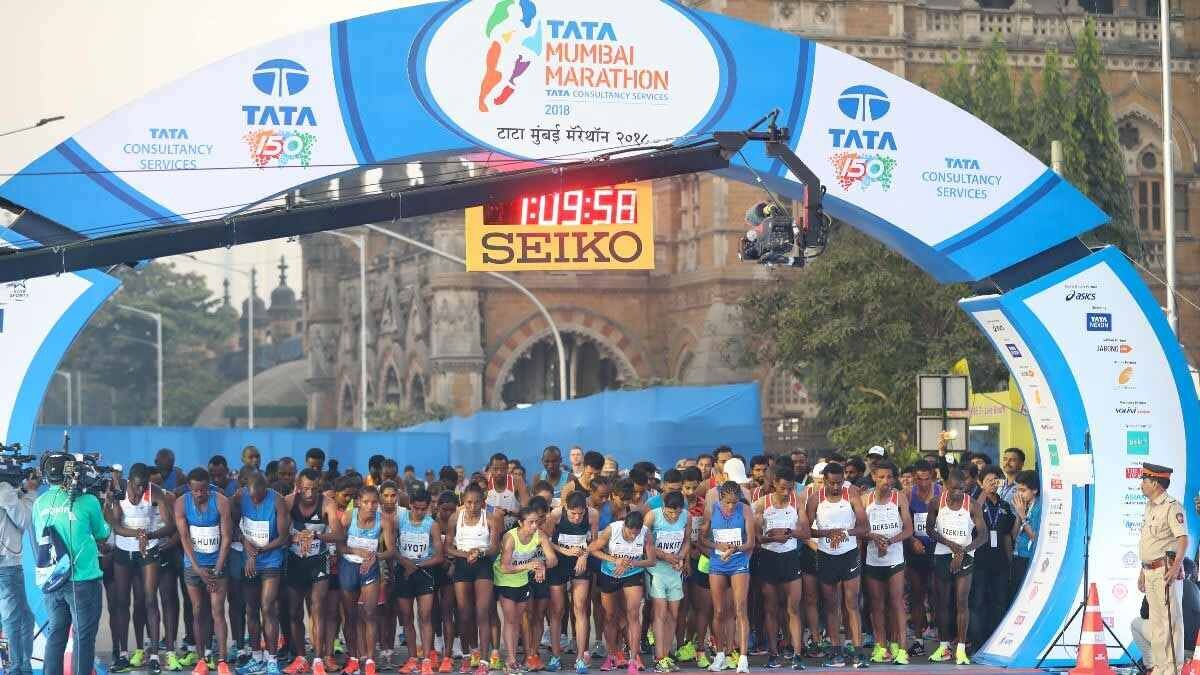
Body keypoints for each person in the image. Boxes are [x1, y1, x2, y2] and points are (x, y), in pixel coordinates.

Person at [35, 454, 113, 675]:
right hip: (82, 580)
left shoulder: (39, 503)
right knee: (83, 637)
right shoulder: (88, 501)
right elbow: (102, 533)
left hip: (53, 580)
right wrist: (106, 506)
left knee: (56, 634)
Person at [105, 463, 176, 674]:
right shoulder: (119, 489)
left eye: (144, 485)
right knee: (122, 602)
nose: (140, 490)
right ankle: (123, 654)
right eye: (137, 485)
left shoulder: (154, 491)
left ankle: (154, 655)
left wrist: (149, 536)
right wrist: (139, 534)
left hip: (148, 551)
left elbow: (170, 526)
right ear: (129, 480)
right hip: (123, 551)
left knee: (150, 600)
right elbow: (115, 526)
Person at [805, 462, 868, 668]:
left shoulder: (851, 496)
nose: (835, 487)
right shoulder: (815, 499)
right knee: (831, 605)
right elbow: (806, 530)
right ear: (824, 481)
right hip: (826, 556)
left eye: (839, 482)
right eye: (831, 483)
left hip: (849, 555)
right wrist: (827, 533)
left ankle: (858, 651)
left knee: (852, 603)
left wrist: (844, 533)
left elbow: (864, 527)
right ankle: (835, 651)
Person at [175, 468, 235, 675]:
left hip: (217, 564)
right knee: (198, 610)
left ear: (209, 486)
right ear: (189, 488)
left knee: (217, 611)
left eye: (203, 490)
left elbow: (226, 538)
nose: (199, 494)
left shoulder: (221, 502)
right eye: (195, 490)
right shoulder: (181, 503)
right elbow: (184, 538)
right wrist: (197, 568)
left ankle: (222, 661)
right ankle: (201, 660)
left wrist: (217, 569)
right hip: (193, 565)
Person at [283, 469, 341, 675]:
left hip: (318, 560)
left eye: (314, 489)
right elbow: (279, 534)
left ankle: (317, 658)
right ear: (298, 487)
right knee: (294, 612)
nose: (309, 493)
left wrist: (315, 535)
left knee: (318, 608)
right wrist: (295, 537)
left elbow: (338, 535)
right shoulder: (288, 502)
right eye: (305, 489)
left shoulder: (327, 503)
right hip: (295, 561)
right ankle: (301, 657)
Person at [927, 469, 987, 666]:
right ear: (946, 486)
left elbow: (983, 536)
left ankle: (961, 649)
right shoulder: (936, 503)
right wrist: (951, 545)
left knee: (962, 602)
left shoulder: (973, 505)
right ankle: (944, 646)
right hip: (943, 554)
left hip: (966, 555)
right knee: (942, 602)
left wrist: (962, 551)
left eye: (962, 489)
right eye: (954, 489)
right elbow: (929, 529)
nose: (958, 493)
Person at [232, 472, 290, 675]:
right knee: (251, 609)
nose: (254, 500)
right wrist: (244, 541)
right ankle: (257, 657)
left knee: (268, 607)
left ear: (266, 489)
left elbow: (283, 537)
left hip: (271, 558)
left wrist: (257, 552)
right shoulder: (240, 496)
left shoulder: (277, 501)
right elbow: (232, 525)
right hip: (249, 560)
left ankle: (272, 660)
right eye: (252, 497)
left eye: (259, 497)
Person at [339, 485, 396, 675]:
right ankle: (354, 659)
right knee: (350, 616)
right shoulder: (348, 517)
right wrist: (355, 550)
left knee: (370, 614)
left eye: (374, 502)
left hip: (370, 569)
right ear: (358, 503)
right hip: (349, 567)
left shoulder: (384, 521)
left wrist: (375, 556)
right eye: (366, 502)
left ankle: (370, 660)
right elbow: (339, 545)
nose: (370, 506)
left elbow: (391, 551)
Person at [1138, 463, 1188, 675]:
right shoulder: (1149, 506)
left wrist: (1176, 567)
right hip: (1150, 571)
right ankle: (1160, 667)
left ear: (1156, 483)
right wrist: (1142, 571)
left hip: (1165, 571)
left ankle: (1173, 669)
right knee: (1157, 623)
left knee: (1170, 621)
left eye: (1144, 480)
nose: (1141, 484)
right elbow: (1149, 543)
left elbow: (1183, 539)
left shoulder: (1172, 506)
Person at [753, 465, 805, 670]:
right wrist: (773, 536)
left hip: (790, 558)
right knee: (771, 609)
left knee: (793, 608)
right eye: (783, 488)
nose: (786, 492)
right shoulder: (761, 504)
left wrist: (789, 532)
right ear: (774, 484)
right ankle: (773, 654)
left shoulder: (797, 502)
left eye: (790, 488)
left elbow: (806, 532)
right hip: (768, 558)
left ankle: (797, 654)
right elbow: (756, 538)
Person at [495, 506, 557, 675]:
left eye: (537, 522)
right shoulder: (510, 538)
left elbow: (553, 559)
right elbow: (505, 567)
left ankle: (515, 659)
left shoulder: (539, 535)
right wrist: (529, 565)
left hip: (522, 580)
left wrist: (542, 564)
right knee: (510, 620)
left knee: (517, 620)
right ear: (521, 523)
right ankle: (511, 660)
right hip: (506, 579)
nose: (535, 525)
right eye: (531, 522)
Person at [446, 483, 501, 675]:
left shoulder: (491, 519)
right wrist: (466, 554)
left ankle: (484, 660)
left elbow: (495, 547)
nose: (472, 506)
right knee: (464, 613)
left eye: (477, 502)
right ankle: (471, 653)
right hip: (463, 565)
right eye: (469, 502)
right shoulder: (455, 518)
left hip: (483, 565)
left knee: (482, 612)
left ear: (483, 502)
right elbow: (447, 547)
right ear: (463, 501)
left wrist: (480, 552)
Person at [860, 460, 911, 666]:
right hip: (873, 558)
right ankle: (881, 646)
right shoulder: (865, 499)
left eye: (890, 477)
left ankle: (901, 648)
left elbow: (908, 530)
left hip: (895, 557)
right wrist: (874, 538)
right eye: (881, 477)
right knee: (877, 604)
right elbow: (859, 529)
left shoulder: (899, 498)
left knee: (897, 602)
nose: (886, 481)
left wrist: (888, 541)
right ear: (873, 477)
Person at [591, 509, 652, 674]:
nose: (633, 537)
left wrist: (632, 563)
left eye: (636, 534)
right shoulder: (613, 529)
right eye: (630, 533)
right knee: (609, 616)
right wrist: (615, 560)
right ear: (624, 526)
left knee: (633, 615)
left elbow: (651, 560)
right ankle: (611, 655)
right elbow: (593, 549)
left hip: (633, 574)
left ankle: (634, 657)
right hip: (609, 573)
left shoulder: (646, 533)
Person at [394, 487, 446, 675]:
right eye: (416, 508)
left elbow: (439, 556)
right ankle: (412, 659)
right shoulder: (400, 520)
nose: (420, 512)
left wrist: (417, 565)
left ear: (429, 507)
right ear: (410, 505)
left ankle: (426, 660)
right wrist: (404, 562)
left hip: (424, 571)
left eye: (424, 509)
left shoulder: (432, 525)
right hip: (404, 571)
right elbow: (391, 547)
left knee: (425, 616)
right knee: (407, 617)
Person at [705, 480, 755, 673]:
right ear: (720, 498)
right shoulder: (712, 510)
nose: (731, 506)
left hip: (738, 562)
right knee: (718, 611)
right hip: (718, 563)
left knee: (740, 609)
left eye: (735, 502)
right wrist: (717, 546)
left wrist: (735, 548)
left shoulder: (745, 510)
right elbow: (702, 538)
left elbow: (751, 542)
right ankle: (719, 655)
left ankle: (742, 658)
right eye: (727, 502)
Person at [547, 490, 597, 674]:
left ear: (586, 509)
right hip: (559, 564)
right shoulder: (556, 514)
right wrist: (564, 551)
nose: (577, 518)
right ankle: (555, 656)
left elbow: (594, 542)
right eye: (573, 514)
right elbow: (545, 540)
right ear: (565, 508)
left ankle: (580, 657)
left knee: (580, 608)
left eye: (580, 514)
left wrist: (584, 555)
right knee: (557, 610)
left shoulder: (593, 514)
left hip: (580, 563)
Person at [970, 465, 1017, 647]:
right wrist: (983, 493)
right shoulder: (974, 503)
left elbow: (1007, 534)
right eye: (989, 480)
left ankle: (996, 642)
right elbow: (971, 520)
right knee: (978, 601)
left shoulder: (1004, 505)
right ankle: (978, 643)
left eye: (996, 480)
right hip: (979, 560)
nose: (993, 484)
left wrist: (1009, 561)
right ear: (980, 482)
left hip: (999, 561)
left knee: (999, 602)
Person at [645, 491, 689, 673]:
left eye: (677, 513)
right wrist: (664, 555)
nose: (674, 516)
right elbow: (644, 542)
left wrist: (680, 557)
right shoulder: (652, 516)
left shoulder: (686, 516)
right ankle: (659, 658)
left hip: (674, 571)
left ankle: (666, 654)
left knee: (673, 614)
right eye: (670, 513)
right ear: (663, 507)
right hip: (656, 570)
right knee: (660, 613)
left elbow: (686, 542)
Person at [0, 471, 38, 675]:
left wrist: (22, 490)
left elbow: (11, 503)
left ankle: (23, 666)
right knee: (12, 619)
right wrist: (30, 493)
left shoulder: (6, 491)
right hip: (7, 566)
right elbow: (24, 520)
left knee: (25, 617)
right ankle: (15, 668)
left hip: (9, 565)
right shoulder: (4, 490)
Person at [903, 459, 940, 656]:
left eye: (927, 479)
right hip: (915, 550)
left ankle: (942, 639)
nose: (923, 483)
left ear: (933, 476)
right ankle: (918, 640)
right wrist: (911, 540)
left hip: (938, 548)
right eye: (919, 479)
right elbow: (902, 523)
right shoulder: (908, 495)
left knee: (937, 594)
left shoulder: (942, 492)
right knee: (917, 595)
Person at [1010, 470, 1040, 599]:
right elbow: (1014, 534)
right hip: (1017, 554)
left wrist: (1023, 516)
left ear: (1035, 490)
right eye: (1017, 490)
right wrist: (1019, 515)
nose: (1019, 494)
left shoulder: (1039, 507)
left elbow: (1034, 536)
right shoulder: (1023, 506)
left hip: (1030, 557)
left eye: (1023, 490)